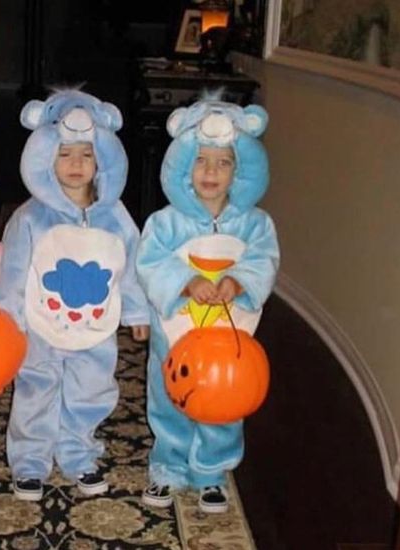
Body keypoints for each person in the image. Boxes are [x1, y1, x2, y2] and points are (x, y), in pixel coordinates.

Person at [0, 89, 150, 501]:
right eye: (65, 154)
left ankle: (78, 453)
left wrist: (136, 313)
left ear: (102, 161)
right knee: (36, 390)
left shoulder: (116, 218)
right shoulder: (30, 218)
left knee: (90, 391)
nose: (76, 164)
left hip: (94, 331)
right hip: (41, 329)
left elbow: (129, 266)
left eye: (86, 154)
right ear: (45, 157)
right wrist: (8, 319)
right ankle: (29, 461)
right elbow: (11, 272)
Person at [136, 95, 279, 514]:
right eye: (201, 161)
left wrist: (238, 281)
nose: (211, 172)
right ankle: (168, 465)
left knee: (225, 398)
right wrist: (186, 281)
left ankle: (212, 471)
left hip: (229, 334)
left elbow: (264, 259)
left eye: (223, 163)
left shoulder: (255, 224)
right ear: (184, 167)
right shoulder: (165, 223)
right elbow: (149, 262)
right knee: (170, 395)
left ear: (240, 172)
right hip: (175, 333)